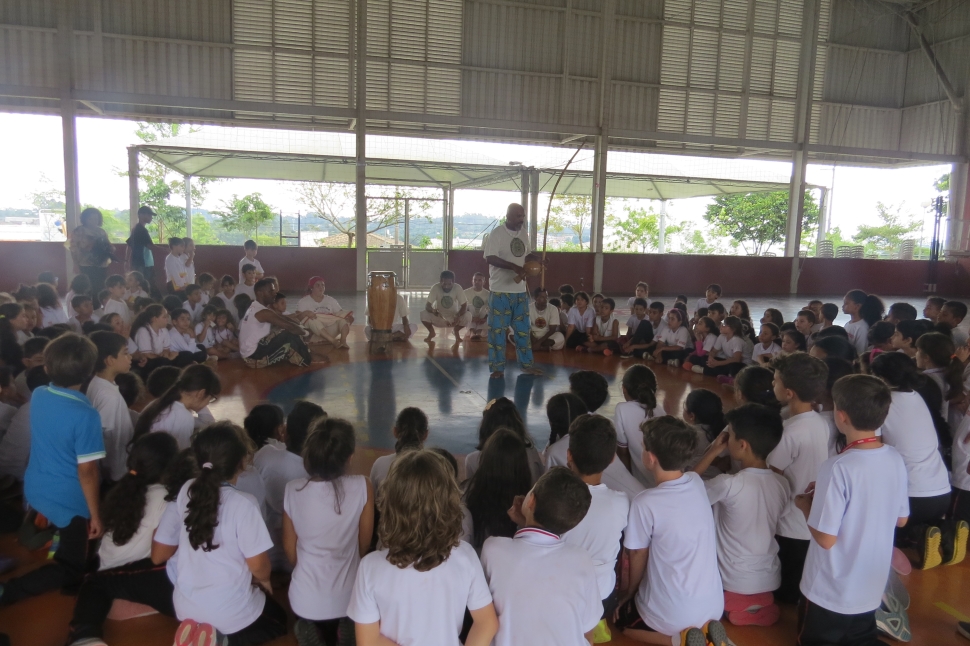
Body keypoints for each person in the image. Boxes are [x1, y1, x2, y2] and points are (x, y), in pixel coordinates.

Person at [795, 374, 909, 646]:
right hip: (870, 584)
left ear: (841, 416)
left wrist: (804, 505)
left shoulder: (837, 467)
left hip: (829, 588)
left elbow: (825, 538)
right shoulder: (894, 458)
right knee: (860, 639)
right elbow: (901, 519)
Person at [153, 423, 287, 646]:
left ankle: (196, 634)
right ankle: (220, 641)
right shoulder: (244, 503)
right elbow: (259, 566)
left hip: (184, 607)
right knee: (278, 620)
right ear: (242, 462)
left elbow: (159, 551)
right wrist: (264, 581)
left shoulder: (187, 489)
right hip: (229, 612)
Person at [347, 450, 499, 646]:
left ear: (390, 506)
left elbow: (368, 641)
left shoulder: (370, 567)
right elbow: (487, 624)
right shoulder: (466, 556)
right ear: (449, 503)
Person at [0, 334, 104, 606]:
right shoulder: (86, 414)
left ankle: (71, 579)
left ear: (46, 368)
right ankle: (8, 592)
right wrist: (95, 515)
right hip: (69, 498)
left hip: (36, 486)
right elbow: (88, 472)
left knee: (69, 538)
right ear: (91, 371)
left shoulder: (40, 394)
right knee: (72, 562)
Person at [615, 416, 727, 646]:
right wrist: (712, 452)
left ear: (651, 458)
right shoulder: (696, 483)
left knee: (622, 622)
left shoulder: (645, 502)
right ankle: (707, 635)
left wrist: (629, 594)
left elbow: (637, 554)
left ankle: (680, 641)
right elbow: (693, 473)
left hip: (672, 615)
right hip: (714, 608)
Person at [64, 432, 181, 646]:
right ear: (170, 467)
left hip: (107, 564)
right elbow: (160, 555)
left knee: (93, 582)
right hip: (130, 571)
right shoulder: (165, 498)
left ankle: (83, 637)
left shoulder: (122, 488)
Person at [692, 404, 789, 627]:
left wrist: (714, 450)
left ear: (742, 445)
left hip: (731, 576)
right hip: (770, 576)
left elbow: (685, 489)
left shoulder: (729, 484)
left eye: (731, 436)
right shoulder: (782, 484)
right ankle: (756, 603)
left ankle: (737, 604)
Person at [482, 467, 601, 646]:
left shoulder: (493, 549)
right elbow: (588, 629)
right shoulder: (581, 558)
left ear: (531, 501)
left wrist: (525, 523)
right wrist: (526, 522)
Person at [284, 417, 374, 646]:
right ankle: (344, 625)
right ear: (350, 457)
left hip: (304, 599)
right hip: (350, 597)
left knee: (307, 615)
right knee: (360, 610)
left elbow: (290, 551)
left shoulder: (293, 490)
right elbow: (364, 545)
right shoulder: (363, 486)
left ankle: (311, 625)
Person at [869, 352, 958, 569]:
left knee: (887, 528)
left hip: (911, 499)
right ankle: (943, 528)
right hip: (941, 492)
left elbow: (873, 446)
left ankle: (917, 534)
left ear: (880, 378)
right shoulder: (916, 396)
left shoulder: (883, 403)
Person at [766, 352, 830, 604]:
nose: (772, 384)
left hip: (789, 523)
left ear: (789, 392)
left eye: (775, 381)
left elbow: (773, 475)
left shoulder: (790, 432)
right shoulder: (819, 422)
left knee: (784, 593)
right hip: (809, 520)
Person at [561, 416, 630, 627]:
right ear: (611, 459)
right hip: (601, 598)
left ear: (569, 456)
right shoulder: (620, 502)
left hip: (559, 596)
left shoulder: (552, 498)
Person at [483, 203, 544, 378]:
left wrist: (538, 260)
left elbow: (527, 255)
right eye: (518, 216)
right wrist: (514, 267)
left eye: (523, 216)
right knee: (498, 331)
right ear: (508, 216)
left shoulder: (523, 233)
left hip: (519, 292)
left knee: (523, 330)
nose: (521, 219)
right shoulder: (497, 234)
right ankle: (497, 368)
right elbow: (490, 257)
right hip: (500, 291)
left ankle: (526, 364)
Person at [462, 428, 534, 553]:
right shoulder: (530, 500)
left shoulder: (468, 492)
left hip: (477, 562)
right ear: (522, 463)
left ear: (485, 459)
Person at [132, 364, 222, 450]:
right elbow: (181, 456)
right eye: (210, 399)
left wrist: (197, 400)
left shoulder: (159, 403)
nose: (207, 404)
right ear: (201, 393)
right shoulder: (182, 416)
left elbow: (207, 422)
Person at [240, 278, 323, 368]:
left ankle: (304, 351)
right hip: (254, 356)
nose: (275, 293)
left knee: (284, 329)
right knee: (289, 334)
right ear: (260, 293)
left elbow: (283, 318)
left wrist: (300, 327)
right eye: (271, 291)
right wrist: (306, 333)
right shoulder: (263, 312)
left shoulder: (255, 306)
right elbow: (290, 327)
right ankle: (307, 359)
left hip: (251, 351)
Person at [86, 331, 135, 484]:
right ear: (110, 360)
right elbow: (107, 438)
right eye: (125, 353)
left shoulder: (97, 382)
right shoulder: (109, 396)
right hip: (117, 471)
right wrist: (112, 471)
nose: (130, 357)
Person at [464, 397, 544, 483]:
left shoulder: (473, 460)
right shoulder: (531, 453)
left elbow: (471, 492)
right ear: (517, 425)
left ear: (486, 427)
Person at [613, 365, 665, 488]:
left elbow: (623, 453)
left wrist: (627, 482)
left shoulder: (622, 409)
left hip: (642, 483)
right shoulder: (660, 410)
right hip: (663, 479)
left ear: (624, 389)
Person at [369, 407, 428, 492]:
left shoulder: (380, 465)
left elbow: (372, 500)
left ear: (395, 431)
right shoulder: (437, 468)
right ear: (426, 435)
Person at [296, 276, 353, 348]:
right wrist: (306, 313)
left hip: (330, 331)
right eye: (318, 285)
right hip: (314, 335)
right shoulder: (303, 301)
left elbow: (340, 313)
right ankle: (334, 341)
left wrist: (348, 317)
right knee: (311, 320)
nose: (321, 287)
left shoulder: (330, 300)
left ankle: (343, 341)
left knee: (342, 318)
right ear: (311, 287)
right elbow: (298, 318)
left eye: (323, 285)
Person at [70, 207, 115, 293]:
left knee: (100, 287)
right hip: (85, 264)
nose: (94, 221)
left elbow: (108, 244)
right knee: (88, 288)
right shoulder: (78, 231)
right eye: (91, 219)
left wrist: (111, 248)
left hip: (101, 264)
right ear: (84, 219)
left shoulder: (101, 231)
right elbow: (73, 249)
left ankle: (98, 305)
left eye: (96, 219)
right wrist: (75, 264)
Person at [420, 270, 469, 343]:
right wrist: (433, 311)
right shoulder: (435, 287)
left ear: (453, 282)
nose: (446, 286)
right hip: (439, 317)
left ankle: (456, 330)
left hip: (454, 317)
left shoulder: (457, 288)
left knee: (468, 316)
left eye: (449, 284)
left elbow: (464, 305)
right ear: (440, 281)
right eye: (444, 284)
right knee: (423, 314)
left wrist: (458, 315)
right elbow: (427, 305)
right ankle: (431, 332)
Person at [126, 206, 158, 296]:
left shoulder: (135, 229)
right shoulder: (141, 230)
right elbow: (150, 246)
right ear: (141, 215)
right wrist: (166, 249)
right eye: (149, 215)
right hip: (143, 262)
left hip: (139, 262)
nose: (151, 218)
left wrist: (127, 260)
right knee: (145, 284)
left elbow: (129, 245)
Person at [842, 289, 885, 356]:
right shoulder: (849, 323)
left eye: (846, 303)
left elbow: (861, 352)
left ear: (857, 306)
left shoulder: (862, 328)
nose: (843, 306)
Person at [528, 287, 565, 351]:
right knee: (513, 334)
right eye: (542, 297)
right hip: (532, 333)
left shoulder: (553, 309)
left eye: (546, 297)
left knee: (560, 337)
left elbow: (552, 330)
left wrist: (538, 342)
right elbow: (526, 326)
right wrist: (533, 338)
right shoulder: (528, 308)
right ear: (535, 298)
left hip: (547, 335)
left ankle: (532, 346)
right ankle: (542, 348)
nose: (545, 299)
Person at [464, 272, 490, 340]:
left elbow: (490, 309)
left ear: (484, 282)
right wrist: (472, 318)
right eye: (475, 280)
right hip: (471, 316)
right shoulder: (465, 292)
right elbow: (463, 308)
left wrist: (485, 318)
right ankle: (472, 332)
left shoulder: (488, 294)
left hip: (482, 317)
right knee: (470, 306)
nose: (476, 282)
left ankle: (478, 333)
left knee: (485, 307)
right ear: (472, 281)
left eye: (479, 280)